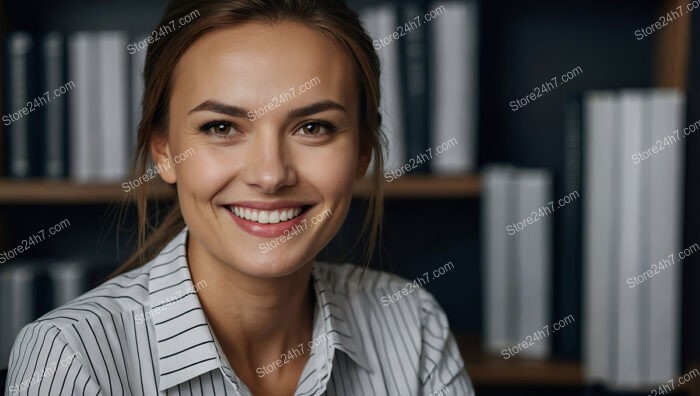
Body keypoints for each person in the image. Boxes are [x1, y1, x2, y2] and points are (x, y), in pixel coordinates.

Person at [6, 1, 474, 394]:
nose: (270, 175)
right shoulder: (72, 357)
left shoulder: (411, 325)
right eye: (221, 127)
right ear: (165, 152)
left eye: (313, 128)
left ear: (361, 156)